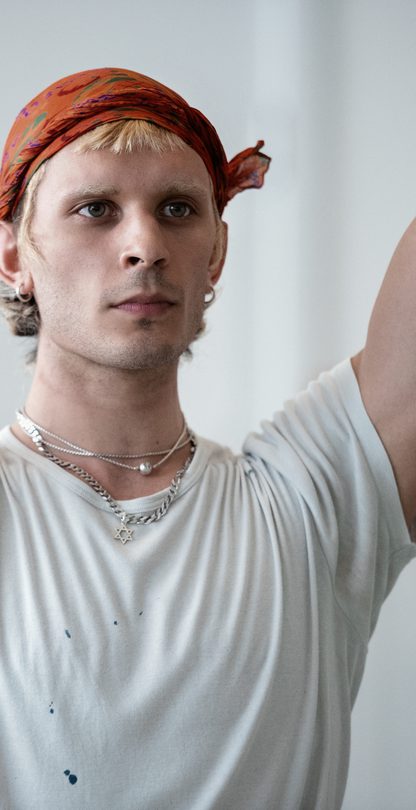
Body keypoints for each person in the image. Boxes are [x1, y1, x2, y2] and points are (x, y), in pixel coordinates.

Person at [0, 66, 414, 810]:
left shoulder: (311, 501)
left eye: (178, 208)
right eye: (95, 209)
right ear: (14, 258)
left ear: (216, 253)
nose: (144, 245)